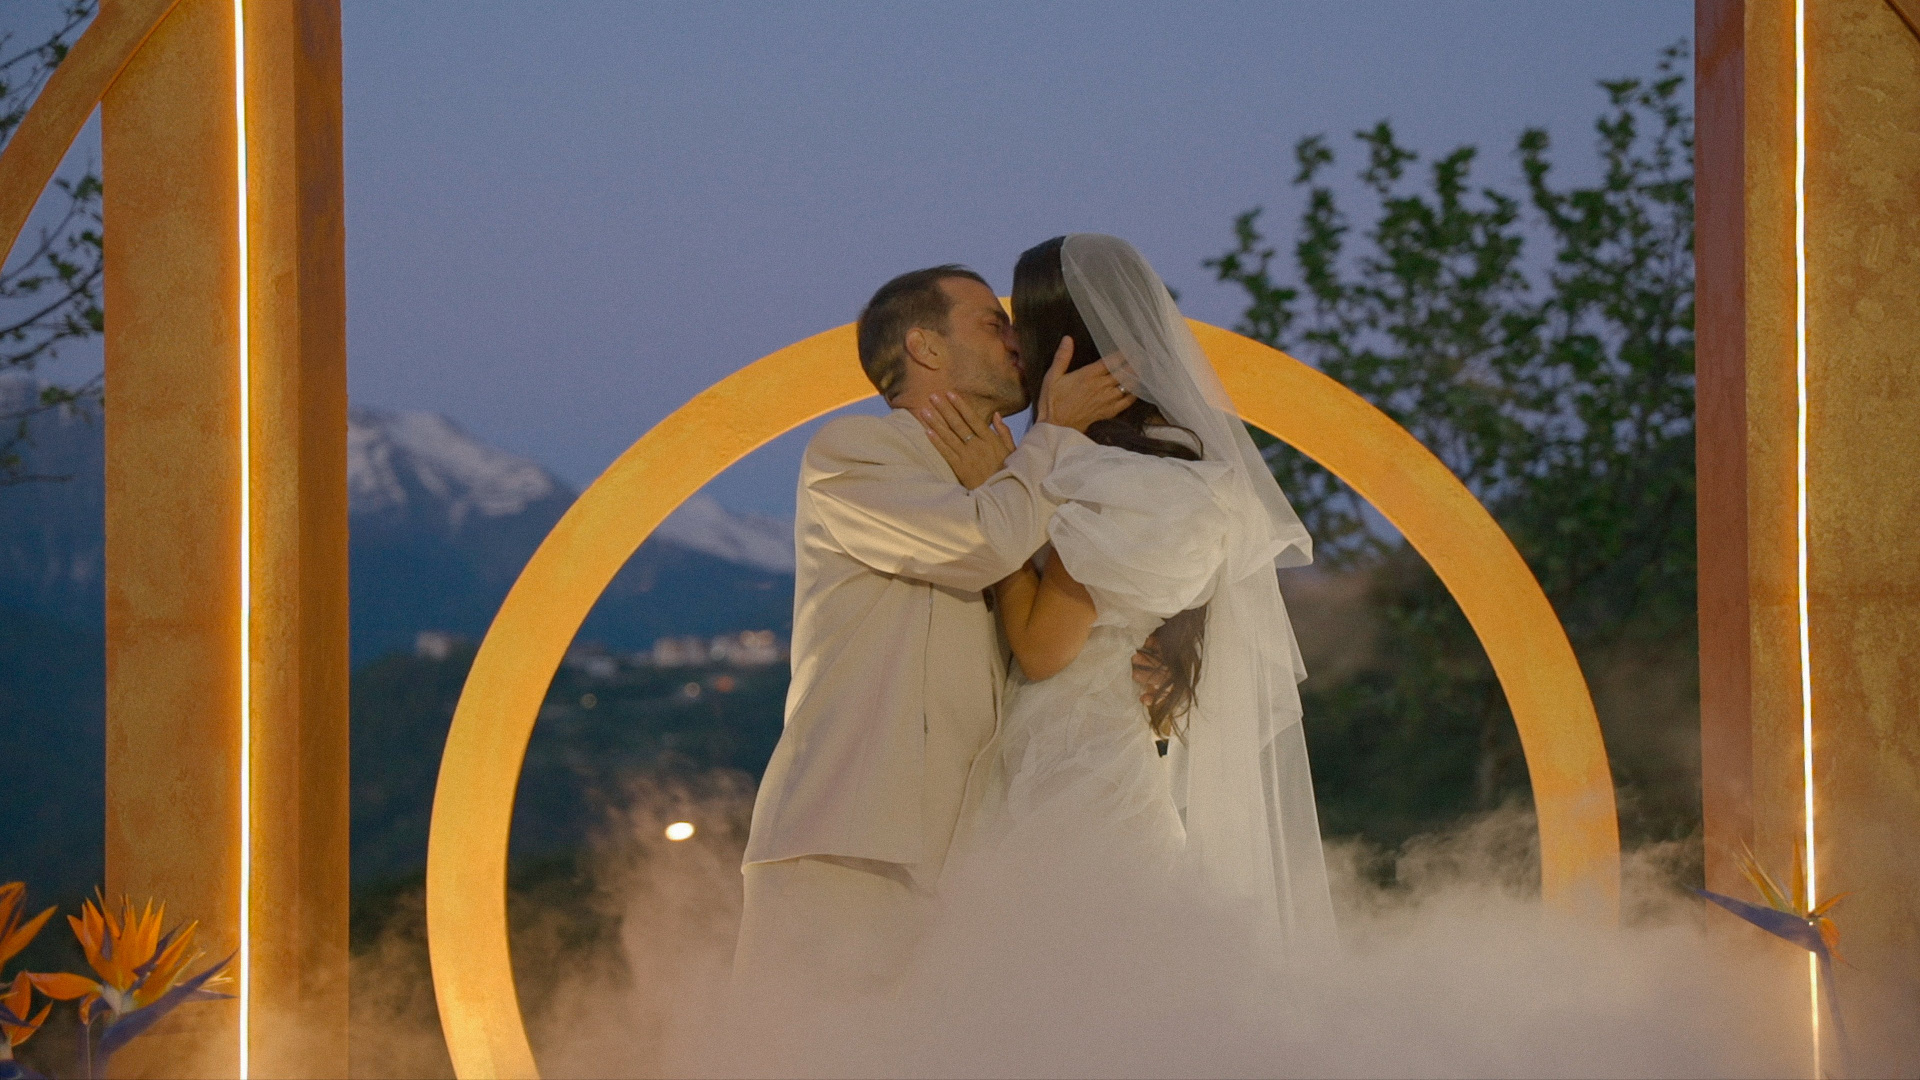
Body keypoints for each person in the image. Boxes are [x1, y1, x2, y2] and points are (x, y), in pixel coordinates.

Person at [732, 264, 1134, 998]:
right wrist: (1054, 436)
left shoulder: (1012, 482)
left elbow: (1039, 637)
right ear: (925, 346)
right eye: (992, 323)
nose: (1017, 341)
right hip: (849, 852)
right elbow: (980, 542)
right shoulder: (855, 450)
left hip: (964, 871)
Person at [926, 234, 1334, 947]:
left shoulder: (1118, 477)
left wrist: (994, 495)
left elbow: (1043, 649)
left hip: (1072, 759)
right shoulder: (1164, 462)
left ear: (1062, 340)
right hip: (1096, 750)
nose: (1014, 345)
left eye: (1022, 324)